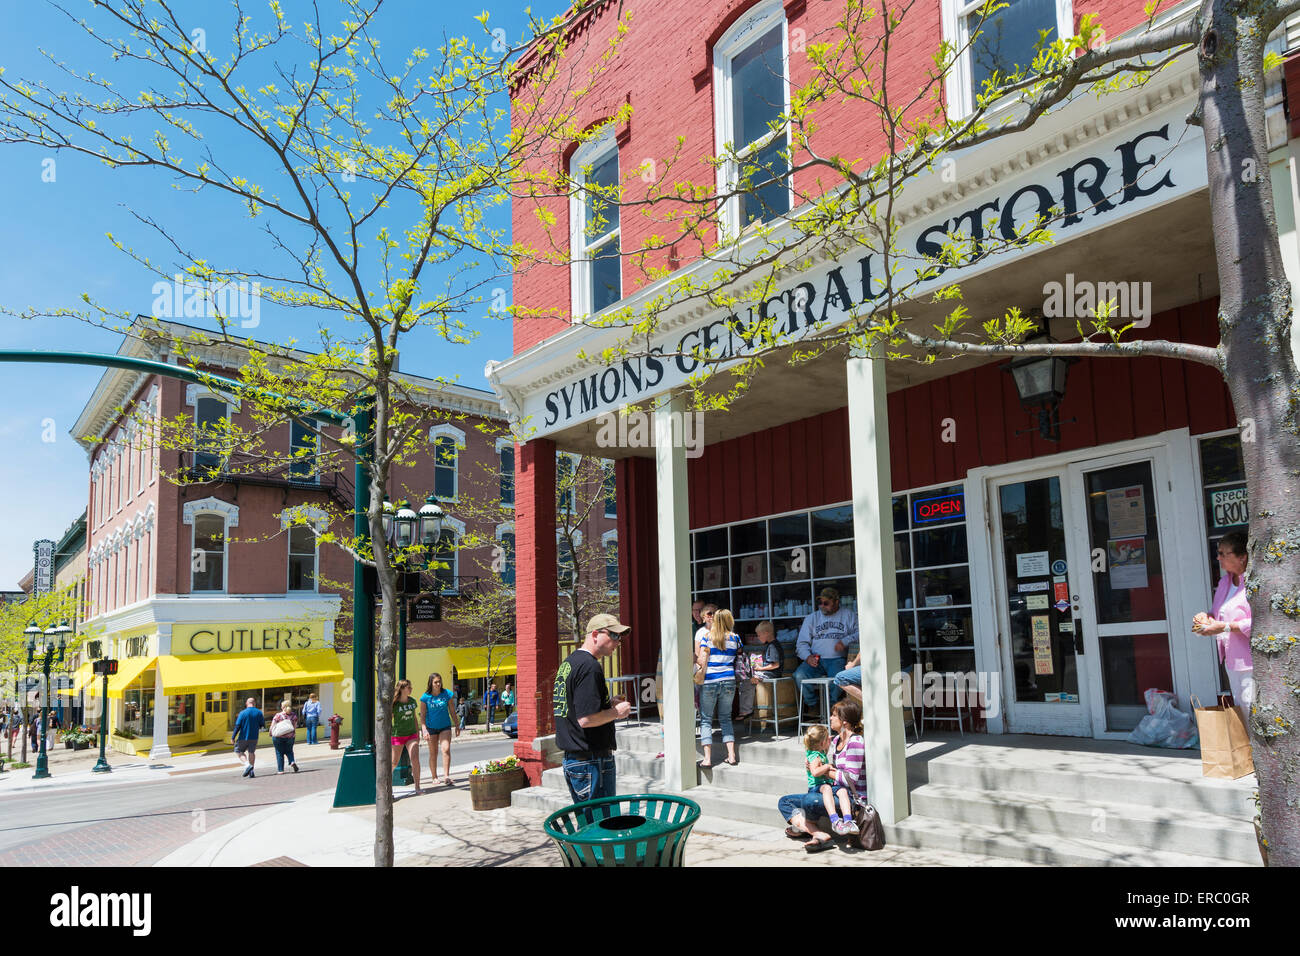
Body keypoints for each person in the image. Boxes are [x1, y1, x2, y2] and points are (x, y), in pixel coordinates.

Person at [553, 613, 632, 803]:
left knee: (587, 819)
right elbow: (586, 719)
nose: (618, 642)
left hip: (576, 760)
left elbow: (576, 707)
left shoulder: (570, 663)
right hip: (591, 761)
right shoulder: (590, 667)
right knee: (602, 819)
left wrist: (607, 703)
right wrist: (617, 712)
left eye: (620, 637)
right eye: (614, 635)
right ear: (595, 634)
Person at [1194, 531, 1254, 715]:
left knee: (1253, 711)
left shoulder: (1254, 583)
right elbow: (1218, 613)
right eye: (1218, 552)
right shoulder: (1224, 582)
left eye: (1223, 553)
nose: (1218, 558)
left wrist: (1225, 627)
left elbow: (1260, 622)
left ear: (1242, 557)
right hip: (1231, 660)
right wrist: (1205, 617)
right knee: (1242, 711)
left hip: (1251, 661)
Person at [794, 587, 860, 713]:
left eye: (826, 603)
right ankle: (813, 705)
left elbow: (860, 633)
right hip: (816, 659)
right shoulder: (812, 618)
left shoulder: (848, 615)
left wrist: (845, 641)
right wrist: (807, 657)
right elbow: (801, 643)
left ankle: (832, 708)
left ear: (836, 602)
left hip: (837, 659)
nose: (822, 606)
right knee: (799, 675)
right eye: (820, 603)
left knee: (838, 678)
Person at [696, 608, 741, 769]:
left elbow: (702, 660)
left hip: (710, 681)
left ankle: (707, 759)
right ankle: (732, 755)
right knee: (726, 718)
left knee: (706, 719)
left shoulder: (707, 637)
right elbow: (738, 655)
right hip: (729, 680)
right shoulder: (736, 638)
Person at [803, 724, 856, 835]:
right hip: (816, 787)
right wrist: (827, 766)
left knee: (842, 791)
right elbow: (815, 772)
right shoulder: (814, 756)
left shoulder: (820, 752)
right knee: (827, 788)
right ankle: (835, 820)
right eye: (828, 739)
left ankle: (848, 820)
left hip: (826, 784)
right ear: (822, 743)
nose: (830, 740)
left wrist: (827, 740)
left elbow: (824, 749)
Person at [420, 672, 458, 786]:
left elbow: (452, 710)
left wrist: (457, 725)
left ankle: (446, 776)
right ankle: (434, 776)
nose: (438, 684)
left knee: (446, 749)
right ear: (431, 683)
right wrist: (424, 729)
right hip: (431, 728)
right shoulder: (425, 697)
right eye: (436, 682)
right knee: (433, 753)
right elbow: (422, 715)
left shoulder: (447, 694)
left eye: (439, 681)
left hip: (445, 726)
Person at [391, 678, 423, 794]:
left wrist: (417, 732)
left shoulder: (412, 701)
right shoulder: (394, 704)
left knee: (415, 759)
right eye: (408, 687)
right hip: (398, 735)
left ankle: (417, 787)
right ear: (402, 689)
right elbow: (389, 719)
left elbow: (414, 718)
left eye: (411, 687)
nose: (411, 689)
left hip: (411, 734)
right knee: (394, 762)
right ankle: (387, 787)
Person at [232, 697, 266, 778]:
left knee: (238, 751)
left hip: (243, 737)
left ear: (247, 703)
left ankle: (247, 765)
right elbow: (262, 725)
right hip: (254, 737)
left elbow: (237, 726)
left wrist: (233, 737)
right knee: (251, 752)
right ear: (254, 703)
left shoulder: (242, 713)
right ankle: (251, 771)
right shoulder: (259, 712)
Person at [269, 700, 300, 774]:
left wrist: (270, 733)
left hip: (278, 736)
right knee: (289, 751)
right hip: (290, 737)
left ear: (282, 707)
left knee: (279, 752)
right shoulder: (294, 716)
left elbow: (272, 725)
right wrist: (292, 734)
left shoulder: (278, 715)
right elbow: (294, 727)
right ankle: (292, 761)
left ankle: (281, 770)